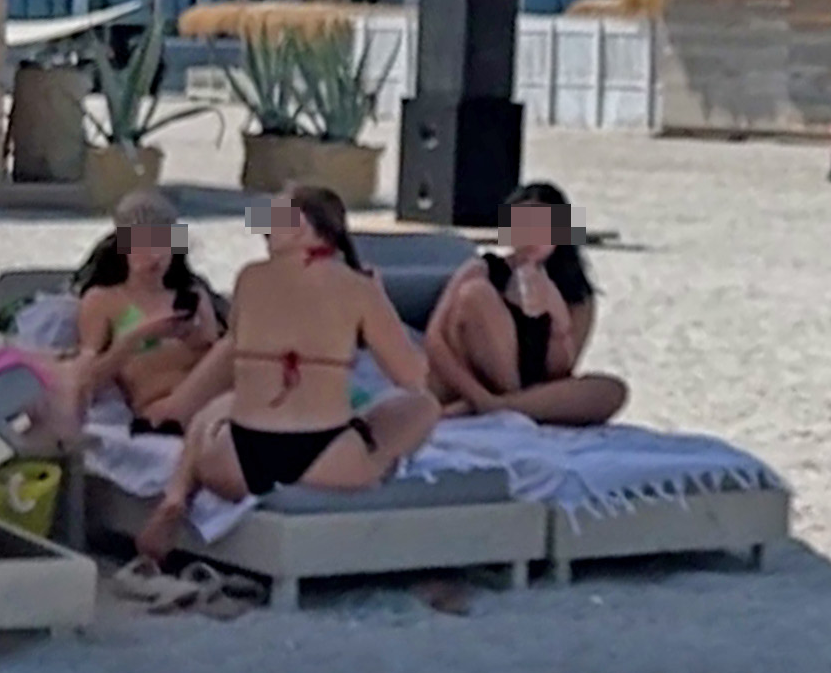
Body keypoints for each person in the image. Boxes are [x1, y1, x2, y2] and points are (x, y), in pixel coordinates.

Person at [135, 185, 440, 562]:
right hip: (328, 459)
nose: (263, 228)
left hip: (238, 461)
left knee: (219, 408)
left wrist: (175, 408)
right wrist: (379, 301)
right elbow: (412, 378)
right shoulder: (357, 288)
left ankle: (175, 497)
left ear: (300, 226)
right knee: (423, 408)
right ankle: (376, 466)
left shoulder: (249, 279)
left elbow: (229, 357)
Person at [424, 182, 627, 425]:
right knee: (476, 293)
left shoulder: (576, 295)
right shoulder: (482, 270)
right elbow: (436, 339)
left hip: (534, 387)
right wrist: (476, 394)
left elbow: (560, 371)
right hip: (474, 379)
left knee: (613, 390)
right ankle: (500, 403)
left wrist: (557, 315)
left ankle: (504, 406)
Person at [75, 190, 225, 435]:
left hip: (213, 401)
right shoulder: (104, 300)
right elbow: (85, 380)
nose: (154, 256)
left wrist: (195, 339)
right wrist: (136, 338)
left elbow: (217, 358)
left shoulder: (193, 295)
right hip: (159, 407)